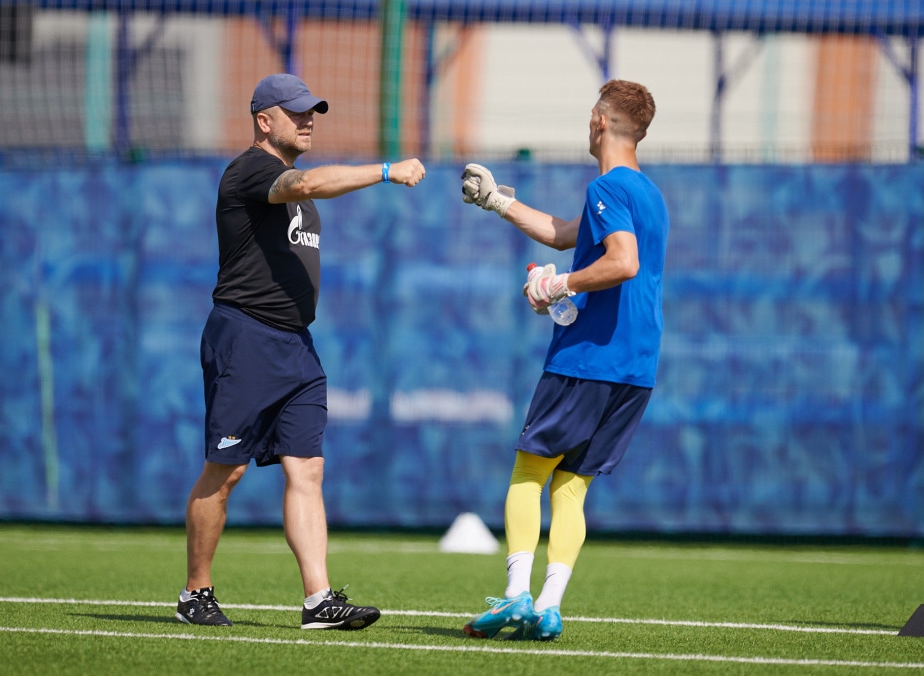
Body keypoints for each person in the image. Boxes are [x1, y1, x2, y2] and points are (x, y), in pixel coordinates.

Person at [176, 73, 426, 628]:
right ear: (264, 121)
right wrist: (387, 170)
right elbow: (307, 184)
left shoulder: (297, 193)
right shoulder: (251, 169)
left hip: (296, 346)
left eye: (311, 111)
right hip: (245, 337)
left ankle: (319, 600)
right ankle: (196, 593)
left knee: (307, 468)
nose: (308, 119)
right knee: (226, 471)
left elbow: (305, 190)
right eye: (296, 112)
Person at [459, 79, 669, 641]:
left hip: (588, 359)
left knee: (530, 472)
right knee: (572, 487)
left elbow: (621, 263)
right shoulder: (647, 194)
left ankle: (515, 595)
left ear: (600, 121)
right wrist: (497, 201)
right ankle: (549, 607)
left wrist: (560, 286)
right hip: (636, 369)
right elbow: (566, 236)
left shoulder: (608, 186)